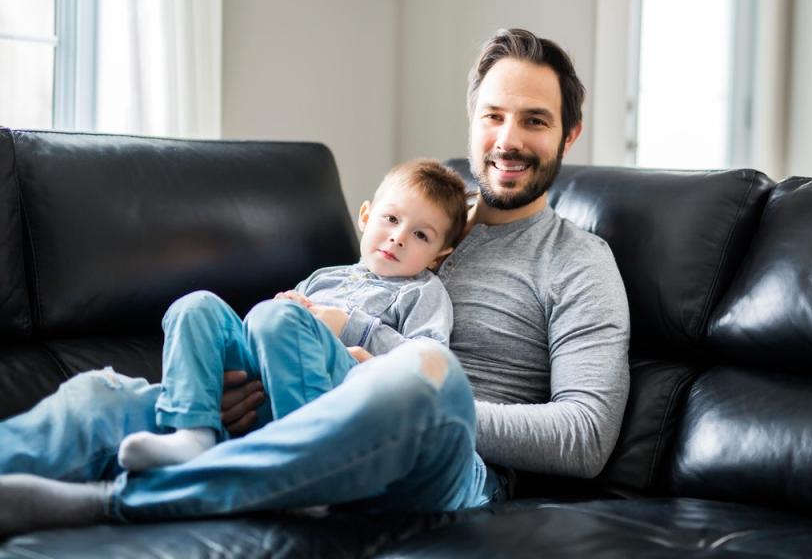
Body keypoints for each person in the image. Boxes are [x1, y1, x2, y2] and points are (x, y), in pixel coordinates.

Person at [0, 28, 629, 536]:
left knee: (425, 379)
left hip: (442, 452)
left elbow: (584, 438)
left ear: (569, 133)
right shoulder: (414, 222)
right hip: (286, 406)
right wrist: (229, 377)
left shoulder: (578, 260)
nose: (508, 139)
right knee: (102, 396)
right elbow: (304, 326)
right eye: (494, 115)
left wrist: (374, 371)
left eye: (535, 121)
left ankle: (117, 504)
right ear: (473, 118)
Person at [116, 158, 467, 472]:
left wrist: (348, 327)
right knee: (195, 305)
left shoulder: (423, 291)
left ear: (439, 255)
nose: (398, 238)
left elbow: (431, 364)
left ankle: (307, 459)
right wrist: (286, 307)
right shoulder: (324, 277)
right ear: (365, 216)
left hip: (336, 384)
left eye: (421, 235)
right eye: (390, 219)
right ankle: (193, 434)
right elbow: (274, 330)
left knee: (277, 319)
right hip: (265, 381)